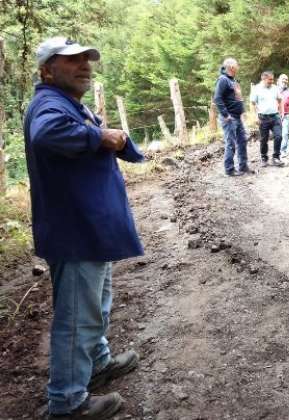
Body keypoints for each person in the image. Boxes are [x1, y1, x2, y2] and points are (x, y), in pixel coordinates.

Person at [23, 37, 143, 420]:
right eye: (72, 61)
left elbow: (93, 137)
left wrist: (115, 139)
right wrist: (99, 136)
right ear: (47, 70)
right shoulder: (48, 104)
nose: (84, 66)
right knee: (77, 316)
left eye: (86, 60)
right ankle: (67, 401)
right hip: (75, 230)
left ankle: (97, 364)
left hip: (90, 229)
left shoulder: (71, 104)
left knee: (95, 306)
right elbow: (46, 134)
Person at [214, 57, 251, 176]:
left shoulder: (233, 80)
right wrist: (225, 115)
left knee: (242, 141)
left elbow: (238, 98)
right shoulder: (223, 80)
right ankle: (229, 169)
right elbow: (217, 98)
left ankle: (243, 166)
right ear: (231, 67)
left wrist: (243, 112)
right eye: (237, 65)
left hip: (237, 117)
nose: (238, 67)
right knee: (231, 143)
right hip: (229, 118)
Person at [250, 71, 285, 166]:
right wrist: (254, 117)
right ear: (263, 79)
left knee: (279, 136)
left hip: (275, 117)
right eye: (270, 79)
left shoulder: (275, 88)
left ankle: (276, 157)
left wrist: (282, 112)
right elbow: (252, 104)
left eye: (273, 79)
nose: (272, 81)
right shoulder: (256, 89)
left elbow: (280, 100)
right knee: (264, 139)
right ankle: (264, 158)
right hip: (263, 118)